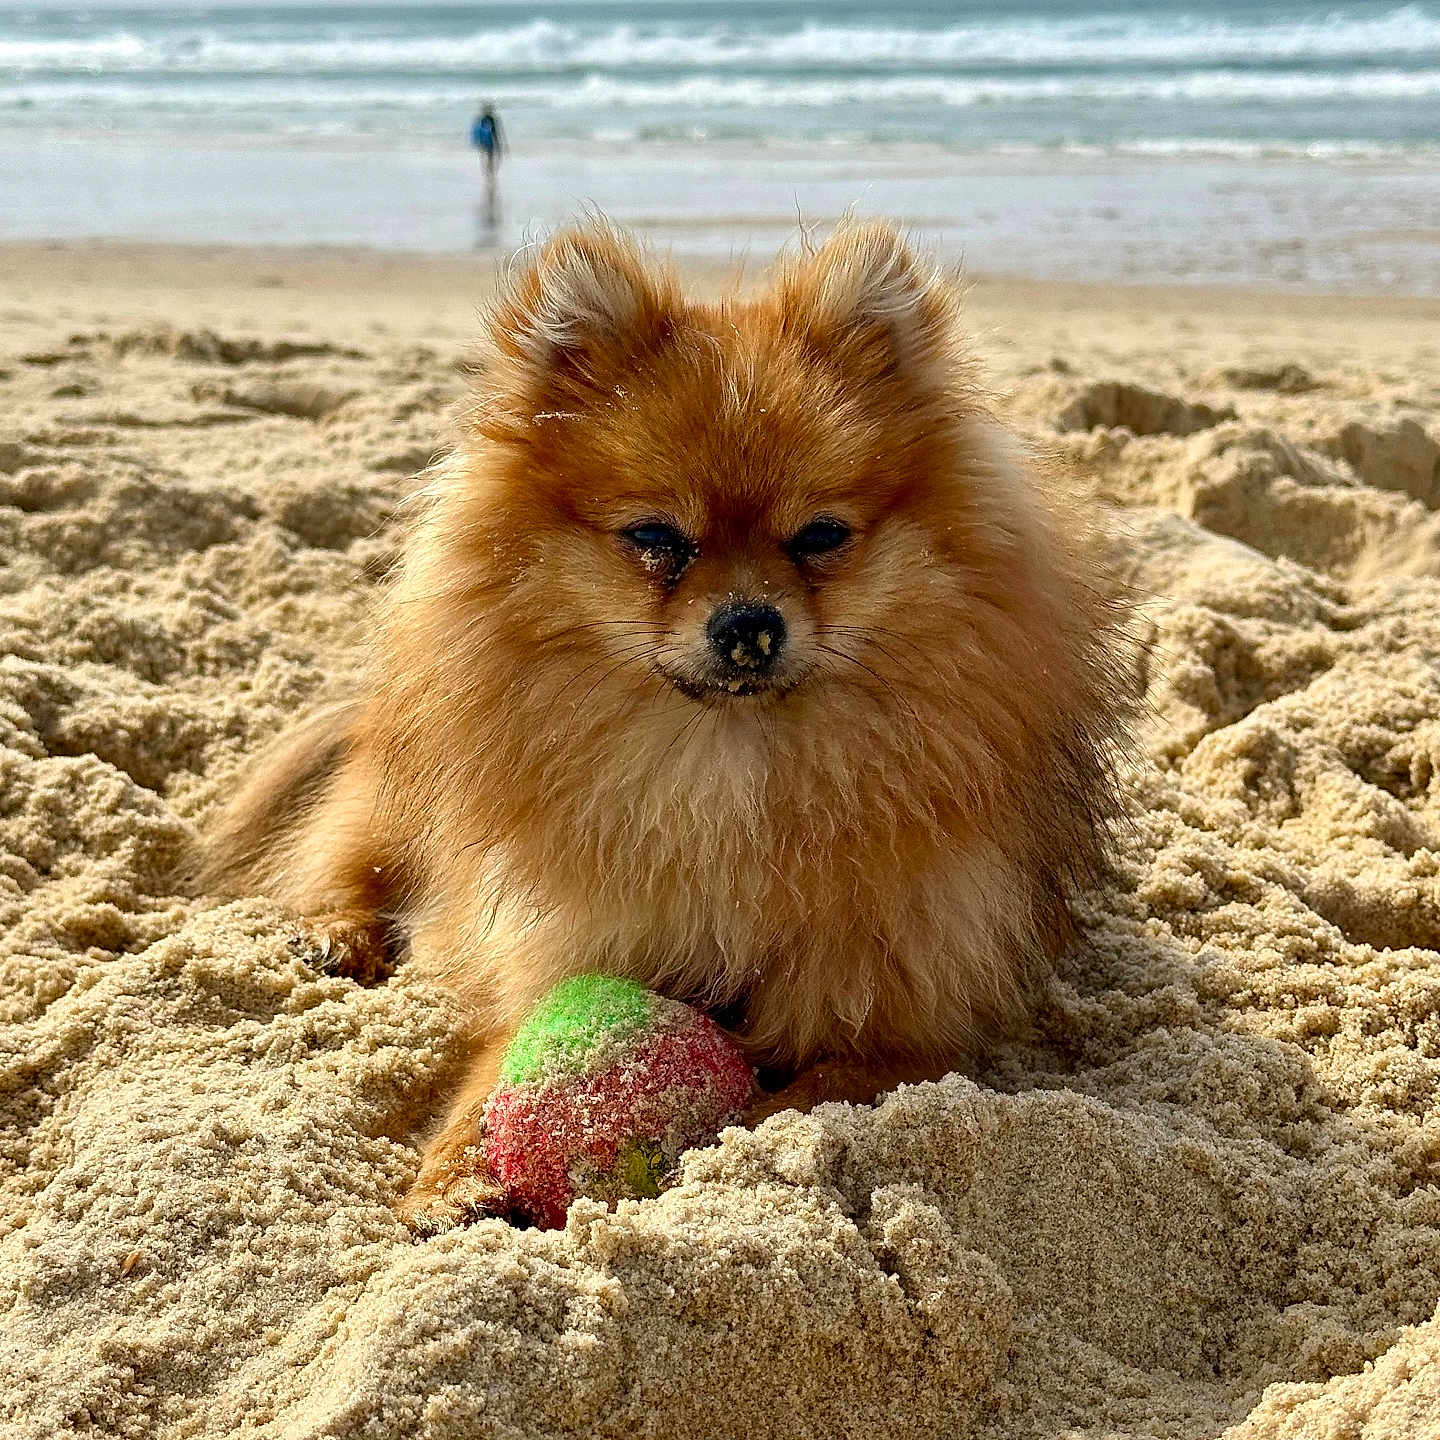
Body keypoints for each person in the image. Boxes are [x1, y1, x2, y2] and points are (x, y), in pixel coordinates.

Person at [471, 105, 503, 181]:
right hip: (489, 140)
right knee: (490, 156)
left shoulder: (482, 119)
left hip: (487, 140)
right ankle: (489, 172)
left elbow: (477, 132)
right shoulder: (490, 119)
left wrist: (477, 141)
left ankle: (487, 172)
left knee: (487, 156)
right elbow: (494, 131)